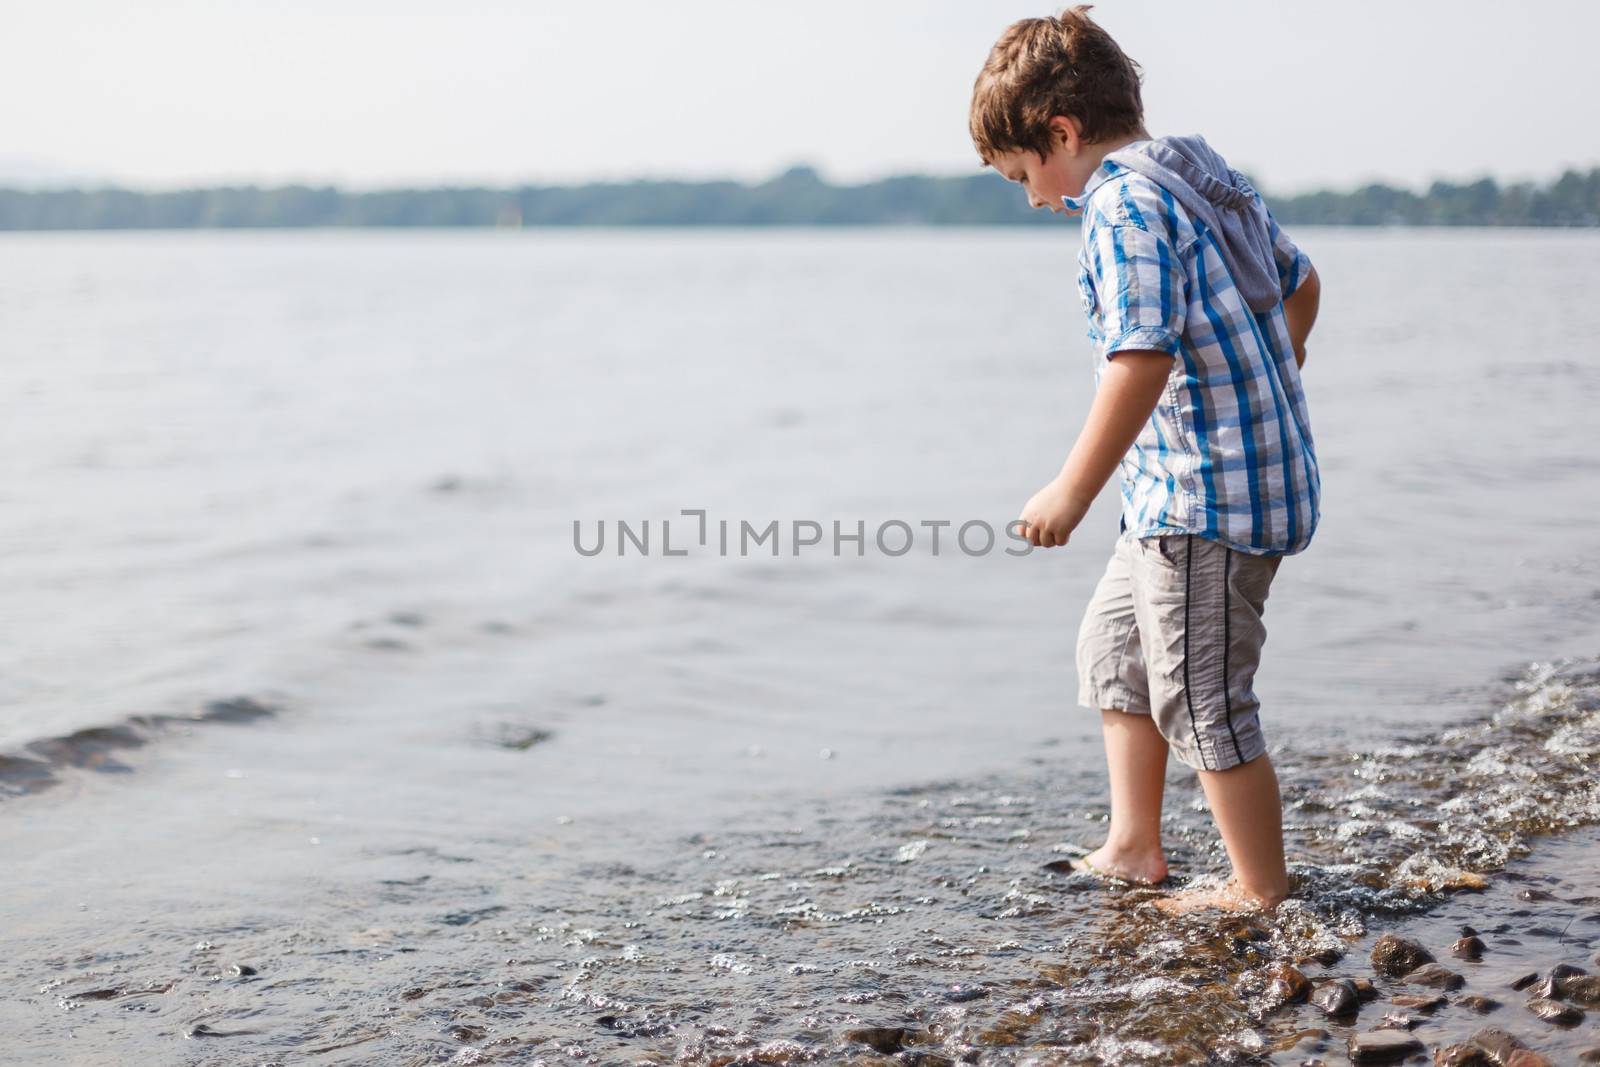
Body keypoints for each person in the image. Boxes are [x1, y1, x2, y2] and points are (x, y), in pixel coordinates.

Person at [969, 5, 1323, 913]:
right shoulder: (1195, 167)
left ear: (1062, 132)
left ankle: (1259, 890)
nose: (1035, 198)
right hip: (1203, 491)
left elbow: (1141, 356)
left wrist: (1070, 490)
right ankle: (1133, 842)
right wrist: (1272, 366)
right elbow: (1302, 281)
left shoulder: (1120, 203)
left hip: (1208, 501)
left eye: (1024, 174)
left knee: (1203, 700)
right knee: (1116, 652)